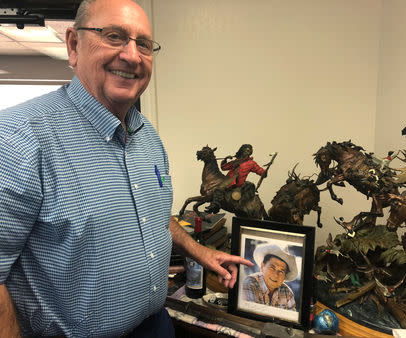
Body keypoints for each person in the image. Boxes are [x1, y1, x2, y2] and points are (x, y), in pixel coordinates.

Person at [0, 0, 252, 337]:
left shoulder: (147, 136)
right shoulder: (19, 138)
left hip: (157, 325)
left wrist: (199, 251)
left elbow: (154, 217)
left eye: (144, 44)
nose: (132, 56)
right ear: (74, 45)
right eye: (114, 36)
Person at [242, 243, 298, 311]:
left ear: (284, 276)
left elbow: (290, 318)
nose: (276, 275)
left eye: (281, 271)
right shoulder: (250, 283)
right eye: (272, 268)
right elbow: (250, 316)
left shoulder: (287, 292)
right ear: (262, 266)